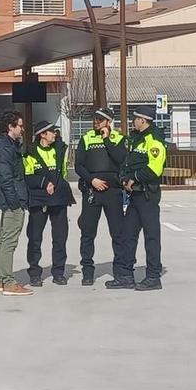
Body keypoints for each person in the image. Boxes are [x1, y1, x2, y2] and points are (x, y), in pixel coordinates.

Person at [111, 107, 168, 291]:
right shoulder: (136, 139)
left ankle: (153, 277)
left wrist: (134, 178)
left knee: (151, 237)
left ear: (143, 120)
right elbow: (127, 163)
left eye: (135, 118)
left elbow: (154, 170)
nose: (133, 121)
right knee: (128, 234)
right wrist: (124, 178)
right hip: (134, 195)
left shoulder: (154, 141)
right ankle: (126, 275)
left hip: (147, 195)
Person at [74, 109, 124, 286]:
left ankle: (120, 272)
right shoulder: (86, 138)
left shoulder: (118, 138)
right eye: (94, 118)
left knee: (118, 233)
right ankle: (87, 272)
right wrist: (91, 180)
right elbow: (78, 165)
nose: (96, 121)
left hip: (112, 192)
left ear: (108, 122)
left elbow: (121, 159)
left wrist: (107, 139)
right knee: (87, 233)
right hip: (92, 190)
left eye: (100, 119)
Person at [22, 118, 74, 285]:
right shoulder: (29, 153)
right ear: (42, 135)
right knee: (35, 237)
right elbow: (27, 177)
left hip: (59, 198)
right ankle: (35, 272)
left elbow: (63, 173)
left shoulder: (59, 149)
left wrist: (59, 186)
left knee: (60, 237)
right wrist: (43, 183)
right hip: (39, 200)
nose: (55, 134)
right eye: (52, 131)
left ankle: (59, 272)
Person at [0, 110, 30, 295]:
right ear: (10, 127)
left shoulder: (9, 145)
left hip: (9, 199)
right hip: (12, 200)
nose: (22, 128)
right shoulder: (5, 147)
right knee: (9, 241)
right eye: (20, 125)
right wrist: (15, 202)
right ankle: (8, 282)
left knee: (3, 238)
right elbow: (7, 178)